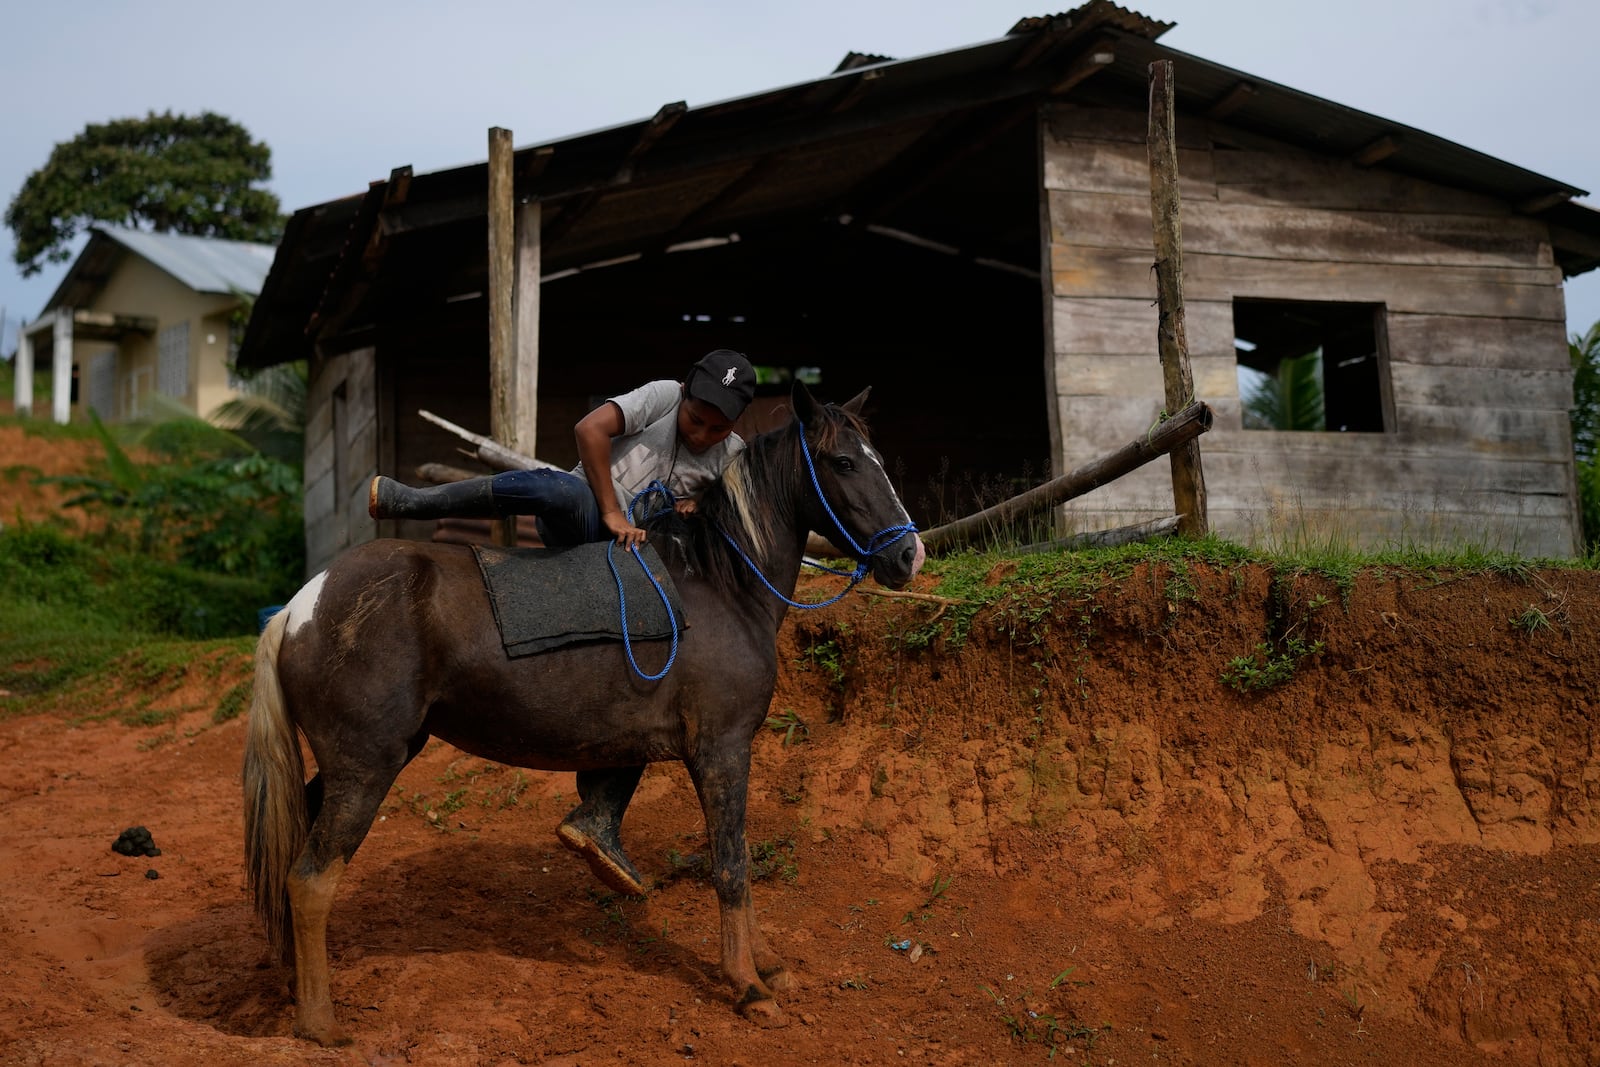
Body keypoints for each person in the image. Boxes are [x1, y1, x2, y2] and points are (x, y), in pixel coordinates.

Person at [366, 348, 758, 896]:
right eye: (697, 420)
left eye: (718, 429)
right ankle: (412, 501)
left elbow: (723, 529)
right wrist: (612, 512)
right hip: (586, 520)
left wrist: (698, 512)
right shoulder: (663, 397)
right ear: (686, 396)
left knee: (657, 676)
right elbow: (589, 430)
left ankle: (600, 815)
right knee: (554, 487)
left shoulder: (732, 456)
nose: (703, 434)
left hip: (640, 563)